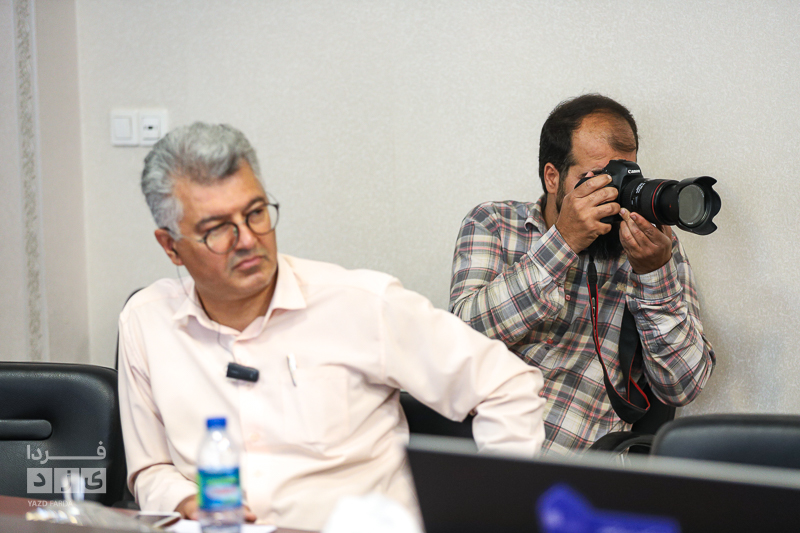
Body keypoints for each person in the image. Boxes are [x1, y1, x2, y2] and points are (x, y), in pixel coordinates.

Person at [118, 122, 547, 530]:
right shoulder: (146, 321)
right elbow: (150, 468)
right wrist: (183, 500)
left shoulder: (361, 304)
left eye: (255, 213)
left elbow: (507, 386)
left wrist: (487, 516)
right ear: (171, 246)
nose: (247, 239)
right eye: (217, 229)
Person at [449, 94, 715, 456]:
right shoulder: (494, 224)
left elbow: (683, 386)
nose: (612, 192)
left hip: (581, 466)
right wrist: (562, 243)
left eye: (624, 175)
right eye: (597, 179)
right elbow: (458, 341)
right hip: (482, 453)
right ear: (552, 177)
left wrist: (654, 277)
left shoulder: (653, 246)